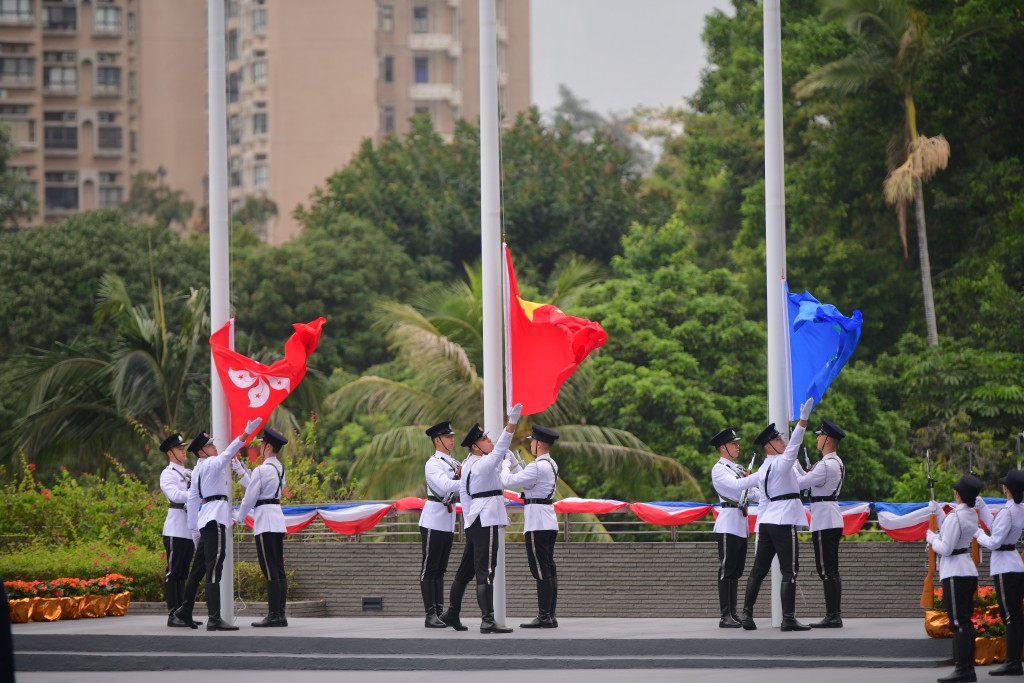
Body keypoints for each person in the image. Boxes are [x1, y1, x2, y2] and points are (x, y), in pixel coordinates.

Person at [173, 417, 262, 631]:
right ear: (202, 452)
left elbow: (194, 500)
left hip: (205, 521)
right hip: (217, 518)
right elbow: (229, 453)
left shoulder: (197, 470)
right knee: (215, 568)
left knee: (199, 570)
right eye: (210, 445)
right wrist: (245, 434)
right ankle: (214, 618)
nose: (214, 447)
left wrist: (194, 528)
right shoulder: (212, 463)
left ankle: (185, 610)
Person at [440, 403, 522, 634]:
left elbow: (465, 496)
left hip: (476, 520)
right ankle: (487, 620)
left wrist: (468, 519)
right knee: (486, 570)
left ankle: (452, 613)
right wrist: (511, 424)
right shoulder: (483, 464)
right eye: (485, 439)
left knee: (466, 570)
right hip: (486, 520)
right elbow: (499, 451)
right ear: (476, 447)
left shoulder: (469, 465)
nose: (490, 441)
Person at [738, 397, 815, 632]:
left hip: (767, 522)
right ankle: (788, 619)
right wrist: (803, 421)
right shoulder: (781, 463)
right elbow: (793, 447)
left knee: (759, 569)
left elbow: (743, 485)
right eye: (778, 439)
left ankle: (747, 615)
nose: (782, 441)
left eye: (781, 438)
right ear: (769, 446)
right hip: (783, 520)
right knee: (789, 569)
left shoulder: (764, 468)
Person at [502, 424, 561, 629]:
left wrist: (504, 464)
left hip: (537, 523)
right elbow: (528, 482)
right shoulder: (550, 464)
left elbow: (507, 481)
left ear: (539, 443)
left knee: (541, 570)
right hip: (548, 521)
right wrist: (517, 464)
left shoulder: (538, 466)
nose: (531, 444)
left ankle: (544, 616)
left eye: (532, 441)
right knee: (548, 568)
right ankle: (550, 615)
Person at [232, 426, 290, 628]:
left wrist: (239, 516)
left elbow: (251, 496)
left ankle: (274, 615)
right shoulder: (279, 468)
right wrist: (241, 471)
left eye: (262, 445)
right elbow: (261, 489)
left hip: (265, 521)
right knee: (278, 569)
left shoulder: (261, 469)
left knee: (269, 569)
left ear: (267, 446)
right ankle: (280, 614)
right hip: (276, 518)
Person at [927, 474, 981, 683]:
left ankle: (962, 669)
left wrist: (932, 538)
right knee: (965, 622)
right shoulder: (970, 515)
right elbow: (954, 531)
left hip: (954, 574)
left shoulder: (955, 517)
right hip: (967, 571)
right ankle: (967, 667)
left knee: (958, 623)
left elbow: (946, 548)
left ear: (958, 494)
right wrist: (940, 512)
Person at [796, 419, 847, 628]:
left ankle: (833, 615)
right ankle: (833, 614)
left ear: (827, 439)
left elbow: (800, 483)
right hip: (829, 516)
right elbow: (808, 481)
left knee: (826, 569)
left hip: (824, 519)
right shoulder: (835, 462)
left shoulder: (826, 465)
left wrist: (791, 463)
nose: (817, 438)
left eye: (819, 435)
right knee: (830, 569)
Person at [709, 426, 761, 628]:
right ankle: (725, 615)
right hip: (728, 522)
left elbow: (753, 493)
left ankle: (733, 612)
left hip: (740, 524)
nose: (737, 445)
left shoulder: (738, 469)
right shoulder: (719, 470)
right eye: (733, 443)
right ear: (723, 448)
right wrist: (755, 478)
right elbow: (738, 488)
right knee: (727, 569)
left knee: (737, 571)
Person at [974, 469, 1024, 677]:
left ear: (1007, 489)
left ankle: (1012, 662)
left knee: (1010, 616)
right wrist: (983, 506)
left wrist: (977, 534)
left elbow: (994, 541)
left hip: (1004, 566)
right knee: (1015, 615)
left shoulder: (1007, 512)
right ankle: (1014, 661)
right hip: (1014, 564)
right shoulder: (1019, 509)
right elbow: (997, 527)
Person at [419, 420, 464, 629]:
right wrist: (468, 482)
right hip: (433, 519)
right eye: (448, 437)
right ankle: (430, 614)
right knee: (429, 568)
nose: (452, 439)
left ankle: (438, 610)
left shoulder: (453, 463)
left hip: (447, 520)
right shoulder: (433, 463)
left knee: (440, 569)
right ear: (437, 440)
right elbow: (445, 486)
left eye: (452, 436)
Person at [158, 432, 197, 628]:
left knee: (184, 572)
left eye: (183, 448)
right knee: (173, 572)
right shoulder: (168, 474)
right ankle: (173, 613)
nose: (183, 452)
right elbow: (174, 495)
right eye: (179, 449)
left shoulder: (189, 472)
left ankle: (183, 612)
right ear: (170, 453)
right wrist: (194, 494)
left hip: (188, 529)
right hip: (175, 528)